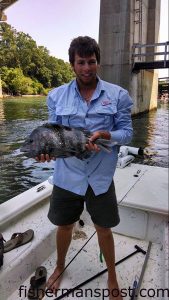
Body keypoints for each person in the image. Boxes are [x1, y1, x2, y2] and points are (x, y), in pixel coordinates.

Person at [37, 36, 133, 300]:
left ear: (98, 62)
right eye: (81, 62)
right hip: (68, 175)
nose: (87, 67)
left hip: (101, 177)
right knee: (65, 225)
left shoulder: (118, 95)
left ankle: (112, 275)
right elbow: (52, 135)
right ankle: (59, 266)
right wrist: (47, 152)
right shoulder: (56, 96)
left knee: (104, 228)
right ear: (72, 64)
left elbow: (126, 133)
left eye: (91, 61)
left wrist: (106, 136)